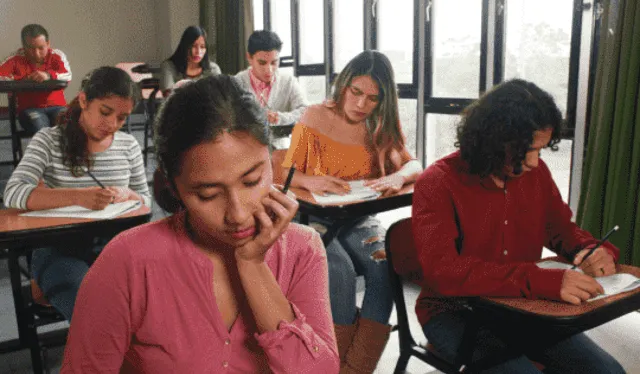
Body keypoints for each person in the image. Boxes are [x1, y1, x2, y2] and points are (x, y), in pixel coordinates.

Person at [61, 75, 339, 373]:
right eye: (207, 194)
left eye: (252, 180)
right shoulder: (127, 261)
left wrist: (252, 266)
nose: (238, 215)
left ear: (271, 161)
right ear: (173, 187)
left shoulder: (302, 249)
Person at [412, 79, 625, 373]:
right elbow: (444, 271)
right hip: (455, 314)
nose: (536, 163)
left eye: (540, 150)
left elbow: (560, 228)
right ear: (493, 139)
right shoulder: (438, 182)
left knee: (609, 372)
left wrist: (588, 248)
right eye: (528, 150)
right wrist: (538, 281)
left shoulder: (535, 175)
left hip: (521, 308)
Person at [282, 50, 422, 373]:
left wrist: (397, 176)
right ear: (343, 85)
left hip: (358, 219)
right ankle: (332, 365)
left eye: (373, 99)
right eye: (356, 93)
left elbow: (414, 164)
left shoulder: (379, 125)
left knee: (385, 268)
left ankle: (355, 369)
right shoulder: (314, 115)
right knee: (340, 272)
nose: (361, 105)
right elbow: (287, 175)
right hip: (312, 220)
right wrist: (312, 179)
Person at [3, 66, 151, 321]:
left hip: (115, 248)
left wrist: (129, 194)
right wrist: (78, 197)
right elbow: (13, 193)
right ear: (83, 100)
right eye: (105, 112)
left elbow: (146, 201)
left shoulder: (129, 146)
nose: (112, 125)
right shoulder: (48, 141)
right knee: (96, 307)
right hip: (60, 249)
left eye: (122, 117)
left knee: (155, 301)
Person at [0, 24, 72, 134]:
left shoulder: (56, 55)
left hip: (57, 107)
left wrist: (48, 75)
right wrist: (22, 79)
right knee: (41, 127)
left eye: (41, 48)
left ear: (48, 44)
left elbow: (67, 75)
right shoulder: (15, 59)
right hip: (29, 109)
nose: (36, 53)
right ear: (24, 46)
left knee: (70, 124)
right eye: (31, 49)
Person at [235, 30, 307, 128]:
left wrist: (280, 118)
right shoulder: (237, 82)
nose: (269, 70)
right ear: (249, 58)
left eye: (274, 62)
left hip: (281, 142)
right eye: (262, 63)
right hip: (244, 142)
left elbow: (305, 112)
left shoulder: (288, 81)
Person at [159, 25, 221, 96]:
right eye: (194, 46)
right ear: (185, 46)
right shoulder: (169, 66)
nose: (198, 52)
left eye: (202, 47)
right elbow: (168, 96)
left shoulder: (213, 69)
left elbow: (218, 96)